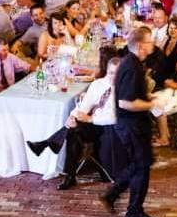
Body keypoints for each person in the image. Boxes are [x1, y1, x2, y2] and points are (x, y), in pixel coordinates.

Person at [27, 57, 123, 190]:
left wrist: (90, 119)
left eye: (117, 73)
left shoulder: (124, 89)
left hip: (109, 128)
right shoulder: (97, 84)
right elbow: (84, 106)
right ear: (107, 71)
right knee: (73, 129)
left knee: (74, 131)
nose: (114, 76)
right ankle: (69, 175)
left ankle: (48, 145)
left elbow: (115, 117)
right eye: (111, 73)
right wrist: (73, 116)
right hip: (92, 124)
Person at [100, 27, 159, 217]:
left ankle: (112, 195)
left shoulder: (132, 63)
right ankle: (133, 212)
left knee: (139, 164)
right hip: (132, 126)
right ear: (141, 46)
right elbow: (126, 102)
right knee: (141, 168)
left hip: (134, 125)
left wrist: (150, 97)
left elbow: (133, 94)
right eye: (150, 42)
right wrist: (152, 104)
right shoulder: (132, 67)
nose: (153, 45)